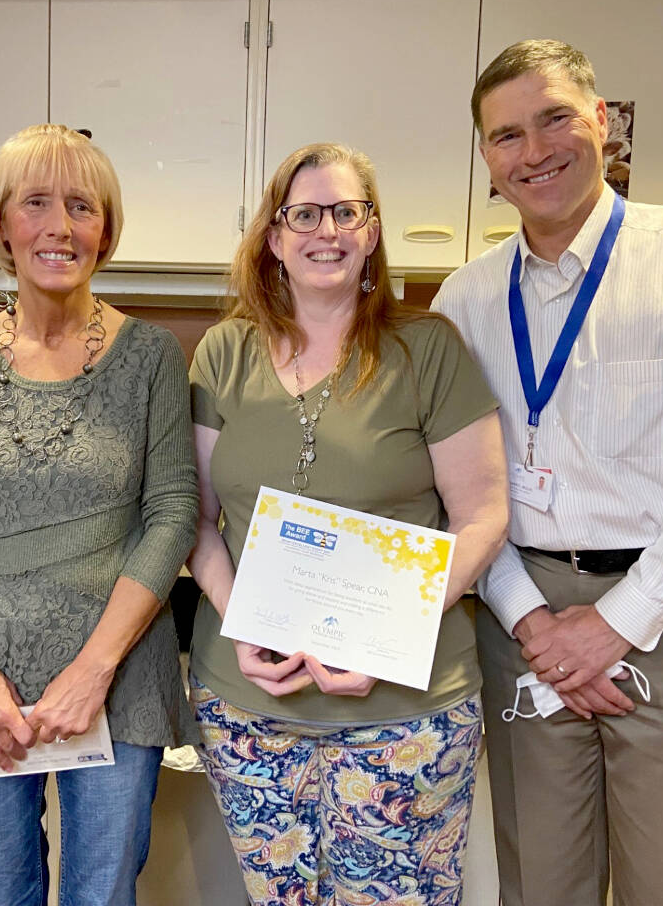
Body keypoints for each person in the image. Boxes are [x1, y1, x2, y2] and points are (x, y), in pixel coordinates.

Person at [432, 39, 663, 906]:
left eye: (555, 117)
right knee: (539, 878)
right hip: (525, 613)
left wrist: (619, 622)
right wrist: (531, 620)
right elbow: (461, 487)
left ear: (602, 119)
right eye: (506, 134)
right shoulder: (464, 301)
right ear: (486, 158)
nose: (535, 149)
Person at [188, 142, 508, 905]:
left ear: (371, 232)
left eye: (346, 211)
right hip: (251, 707)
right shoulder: (223, 352)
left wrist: (383, 642)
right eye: (303, 213)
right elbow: (198, 522)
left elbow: (484, 515)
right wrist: (247, 626)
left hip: (404, 710)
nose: (324, 230)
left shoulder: (425, 349)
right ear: (273, 236)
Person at [0, 124, 198, 906]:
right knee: (0, 891)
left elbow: (171, 514)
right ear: (3, 224)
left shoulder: (153, 356)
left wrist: (92, 671)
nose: (59, 227)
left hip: (118, 676)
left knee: (101, 893)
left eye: (81, 206)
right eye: (35, 203)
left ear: (107, 227)